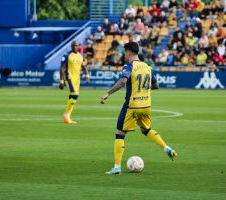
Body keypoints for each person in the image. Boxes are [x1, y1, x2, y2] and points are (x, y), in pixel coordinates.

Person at [100, 42, 177, 175]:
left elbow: (123, 81)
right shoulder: (147, 67)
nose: (124, 54)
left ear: (129, 52)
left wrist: (108, 93)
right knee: (146, 129)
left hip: (132, 105)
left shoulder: (129, 66)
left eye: (125, 52)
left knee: (120, 133)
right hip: (146, 105)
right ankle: (166, 148)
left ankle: (117, 167)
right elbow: (156, 86)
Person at [59, 41, 90, 124]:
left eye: (77, 46)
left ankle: (67, 117)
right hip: (69, 78)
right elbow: (62, 68)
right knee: (75, 96)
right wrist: (61, 81)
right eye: (74, 46)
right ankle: (66, 115)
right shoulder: (67, 55)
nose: (75, 47)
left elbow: (83, 67)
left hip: (77, 80)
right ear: (71, 46)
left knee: (72, 98)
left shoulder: (80, 56)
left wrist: (87, 76)